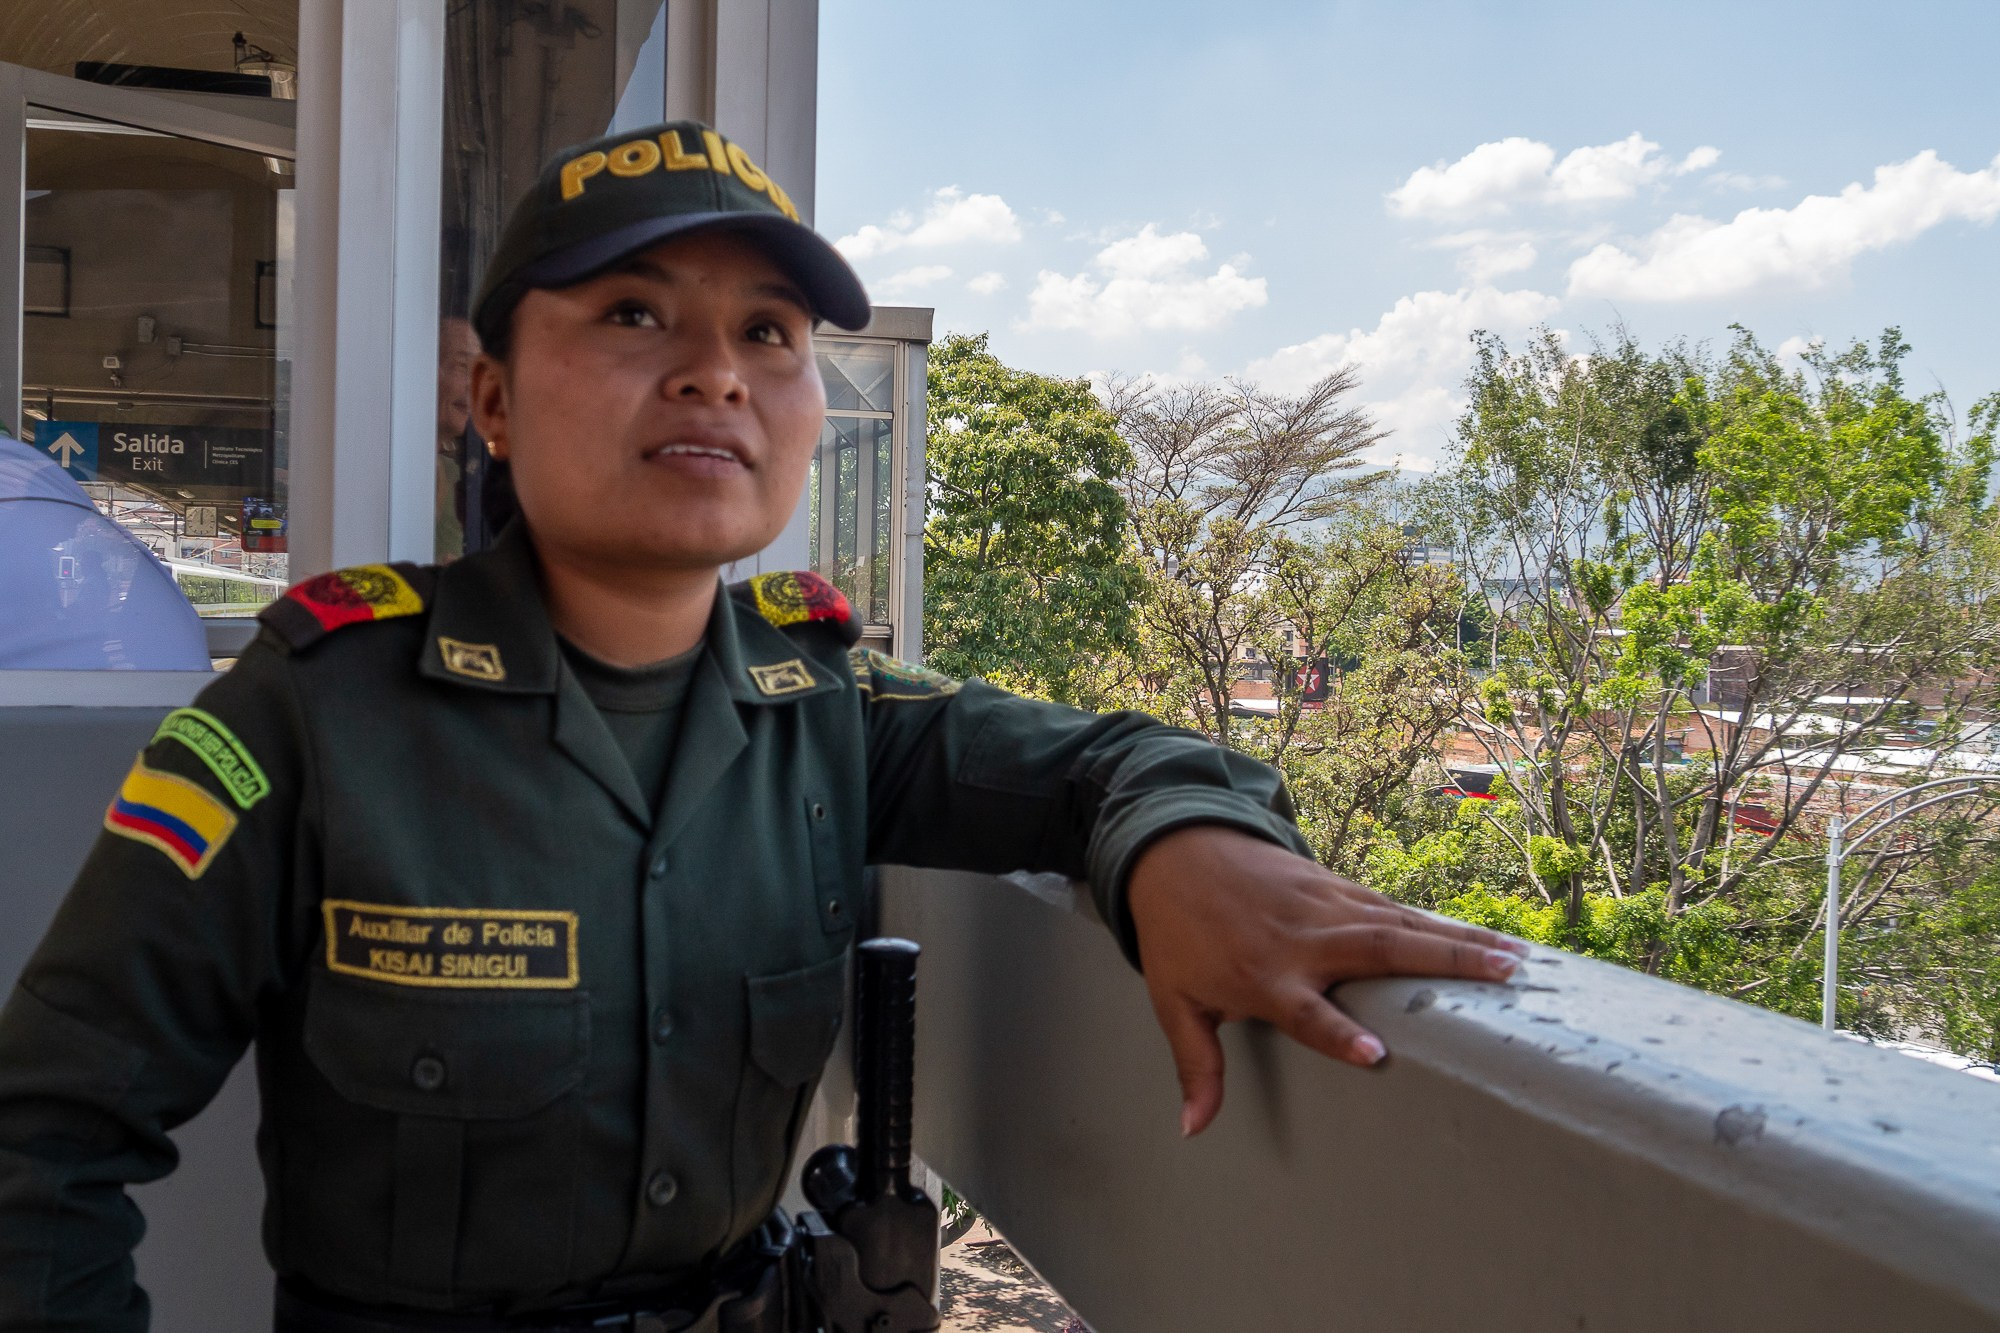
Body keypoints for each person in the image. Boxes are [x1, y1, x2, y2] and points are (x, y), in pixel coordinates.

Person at [0, 121, 1525, 1331]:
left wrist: (1186, 845)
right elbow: (44, 1133)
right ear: (492, 399)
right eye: (631, 312)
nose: (715, 369)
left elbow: (1099, 762)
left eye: (772, 332)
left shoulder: (824, 708)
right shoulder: (315, 716)